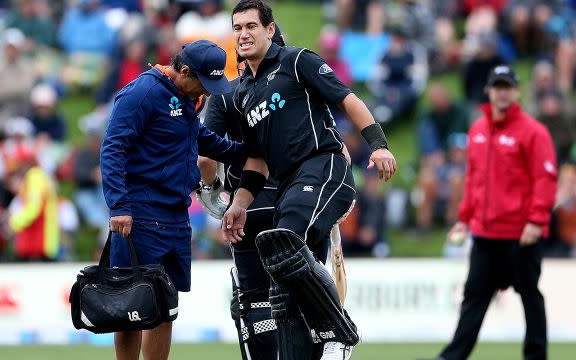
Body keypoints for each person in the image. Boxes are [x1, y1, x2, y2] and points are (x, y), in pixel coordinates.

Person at [222, 1, 397, 359]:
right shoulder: (242, 94)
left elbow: (347, 99)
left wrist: (377, 145)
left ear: (270, 30)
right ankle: (312, 345)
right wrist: (238, 205)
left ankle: (340, 332)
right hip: (289, 186)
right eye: (237, 27)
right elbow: (256, 161)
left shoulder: (297, 60)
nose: (243, 34)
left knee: (284, 244)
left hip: (323, 167)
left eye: (251, 26)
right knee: (282, 277)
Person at [100, 39, 243, 360]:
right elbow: (113, 148)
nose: (205, 92)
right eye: (202, 83)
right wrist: (119, 206)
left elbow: (200, 139)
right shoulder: (143, 93)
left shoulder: (185, 98)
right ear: (184, 70)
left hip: (176, 215)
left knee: (166, 305)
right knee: (132, 308)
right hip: (138, 213)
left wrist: (246, 153)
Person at [423, 65, 557, 360]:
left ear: (517, 91)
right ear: (488, 91)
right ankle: (452, 356)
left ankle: (536, 356)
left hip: (520, 233)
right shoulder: (478, 130)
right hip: (485, 235)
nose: (502, 92)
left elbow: (545, 178)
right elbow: (473, 180)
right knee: (474, 297)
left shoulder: (534, 132)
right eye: (497, 86)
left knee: (530, 295)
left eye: (507, 86)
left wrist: (537, 220)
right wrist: (464, 220)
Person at [198, 25, 285, 360]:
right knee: (300, 296)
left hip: (247, 209)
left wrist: (213, 193)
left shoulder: (226, 96)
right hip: (295, 204)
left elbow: (205, 157)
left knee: (254, 300)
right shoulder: (296, 88)